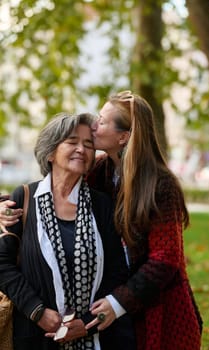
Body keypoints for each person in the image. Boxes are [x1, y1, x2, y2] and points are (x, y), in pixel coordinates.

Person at [0, 91, 202, 349]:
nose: (94, 126)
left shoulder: (159, 184)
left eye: (102, 121)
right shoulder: (100, 170)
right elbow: (53, 185)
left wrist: (115, 303)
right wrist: (7, 204)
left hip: (155, 306)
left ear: (123, 137)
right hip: (108, 310)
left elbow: (165, 261)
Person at [0, 112, 136, 350]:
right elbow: (2, 263)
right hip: (34, 337)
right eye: (72, 142)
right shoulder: (24, 198)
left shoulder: (102, 205)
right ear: (50, 152)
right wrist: (37, 311)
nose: (82, 150)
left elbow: (116, 271)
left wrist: (85, 323)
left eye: (88, 144)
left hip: (93, 338)